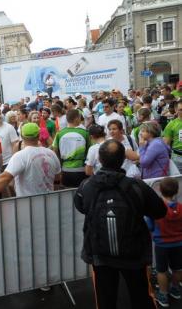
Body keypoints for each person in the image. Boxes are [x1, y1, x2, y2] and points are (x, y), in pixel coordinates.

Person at [74, 139, 167, 309]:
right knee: (140, 297)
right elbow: (160, 211)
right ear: (123, 159)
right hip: (133, 253)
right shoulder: (137, 186)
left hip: (100, 253)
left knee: (105, 300)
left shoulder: (86, 186)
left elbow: (81, 207)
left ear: (100, 160)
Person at [0, 123, 61, 204]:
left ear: (22, 136)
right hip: (49, 202)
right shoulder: (51, 153)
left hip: (28, 205)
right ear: (38, 136)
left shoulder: (20, 156)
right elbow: (57, 177)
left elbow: (5, 178)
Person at [145, 177, 182, 307]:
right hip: (179, 244)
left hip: (162, 245)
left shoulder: (157, 209)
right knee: (177, 268)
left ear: (160, 190)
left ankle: (163, 294)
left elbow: (149, 226)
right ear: (176, 191)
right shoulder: (181, 208)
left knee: (162, 271)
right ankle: (176, 289)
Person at [52, 109, 90, 187]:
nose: (81, 119)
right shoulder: (85, 133)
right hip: (81, 169)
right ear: (76, 119)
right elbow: (89, 151)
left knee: (67, 194)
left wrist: (60, 168)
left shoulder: (59, 133)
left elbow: (55, 152)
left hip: (65, 169)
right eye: (80, 117)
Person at [163, 99, 182, 172]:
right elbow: (166, 143)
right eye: (181, 109)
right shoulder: (171, 124)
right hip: (177, 157)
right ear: (176, 110)